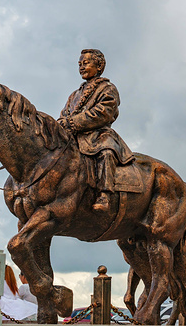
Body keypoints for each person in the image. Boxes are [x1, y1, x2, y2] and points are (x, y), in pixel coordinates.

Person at [58, 49, 135, 211]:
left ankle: (104, 193)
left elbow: (104, 112)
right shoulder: (74, 95)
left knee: (106, 151)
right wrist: (61, 123)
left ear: (99, 67)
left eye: (86, 63)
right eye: (79, 64)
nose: (81, 67)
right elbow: (64, 113)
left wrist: (73, 122)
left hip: (98, 135)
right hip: (75, 137)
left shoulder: (108, 88)